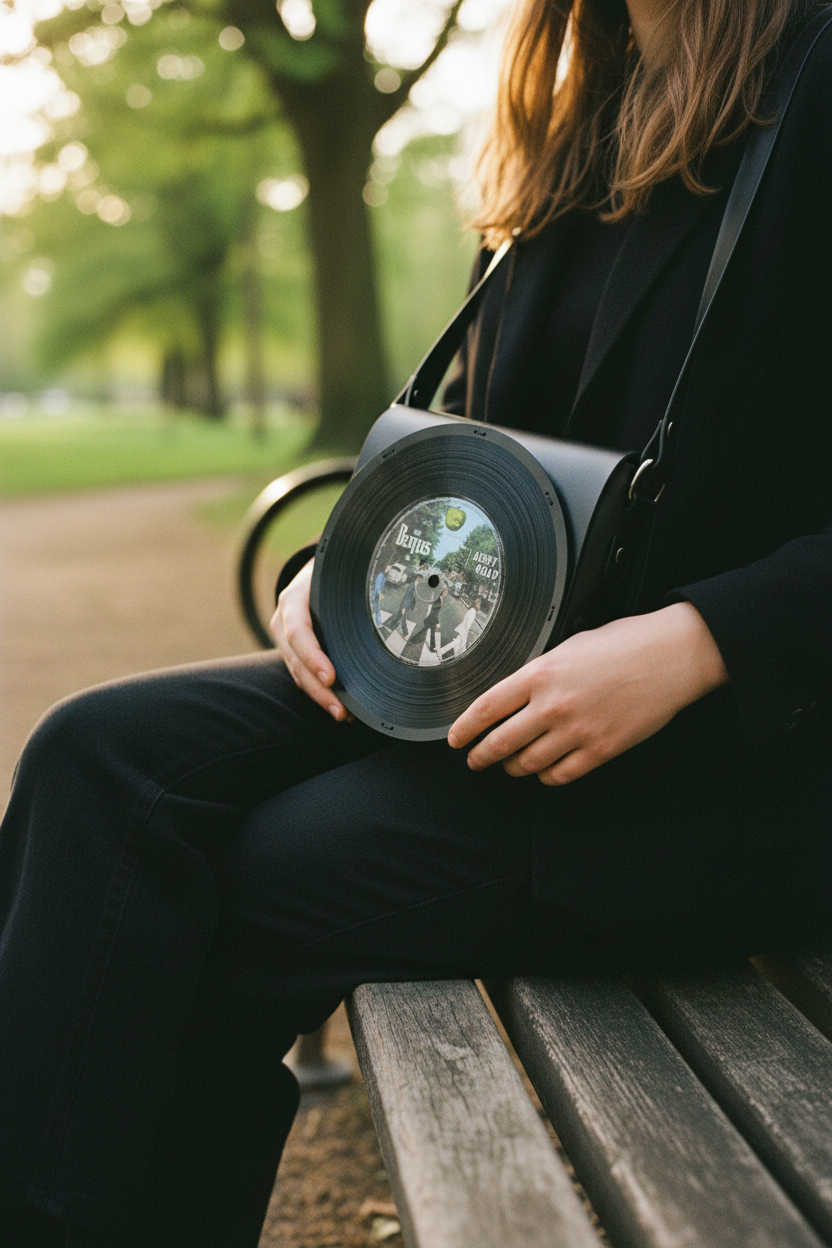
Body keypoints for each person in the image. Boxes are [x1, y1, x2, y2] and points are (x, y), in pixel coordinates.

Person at [0, 2, 829, 1245]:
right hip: (485, 675)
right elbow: (483, 464)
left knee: (249, 882)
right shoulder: (581, 115)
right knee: (92, 756)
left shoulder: (812, 79)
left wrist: (696, 642)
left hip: (724, 762)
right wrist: (331, 574)